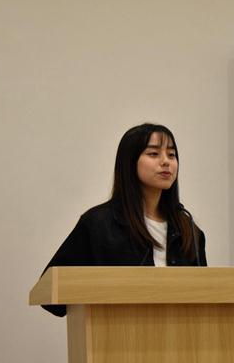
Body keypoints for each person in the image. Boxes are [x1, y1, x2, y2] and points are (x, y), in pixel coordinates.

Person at [41, 123, 206, 316]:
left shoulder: (188, 229)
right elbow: (52, 295)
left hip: (181, 333)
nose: (166, 162)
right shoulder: (99, 224)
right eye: (154, 154)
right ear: (130, 162)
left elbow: (205, 297)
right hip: (114, 331)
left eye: (171, 155)